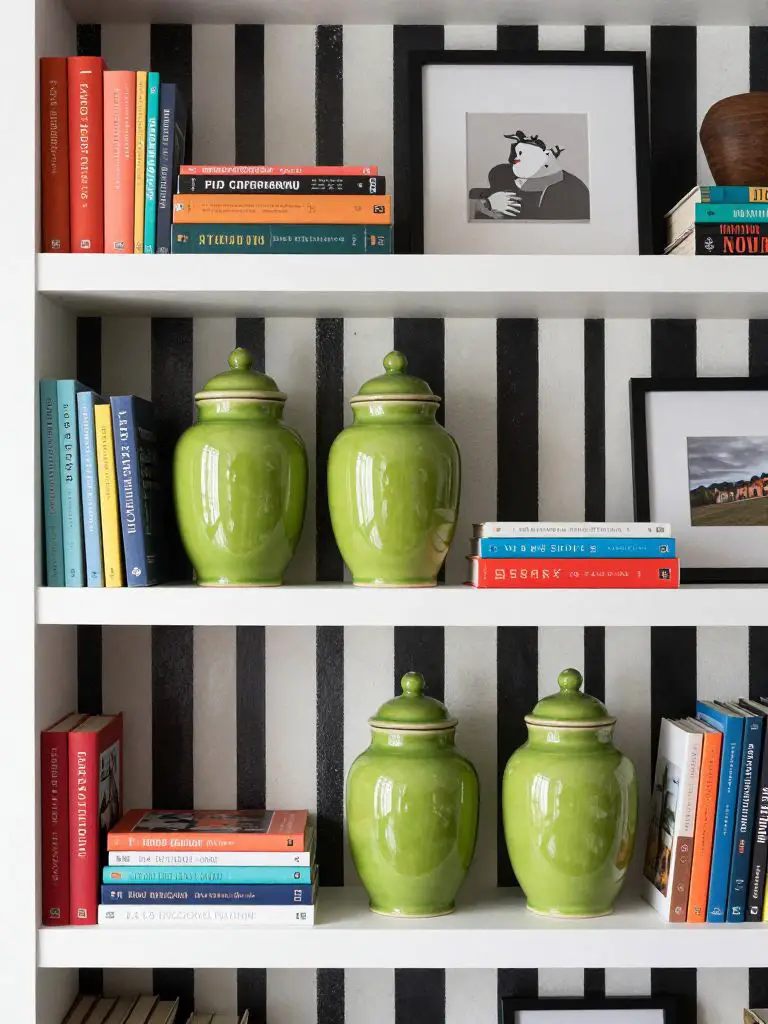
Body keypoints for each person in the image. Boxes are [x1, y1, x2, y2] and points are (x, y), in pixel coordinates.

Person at [469, 129, 590, 221]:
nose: (516, 157)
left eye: (521, 153)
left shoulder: (569, 188)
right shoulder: (501, 175)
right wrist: (486, 204)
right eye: (516, 153)